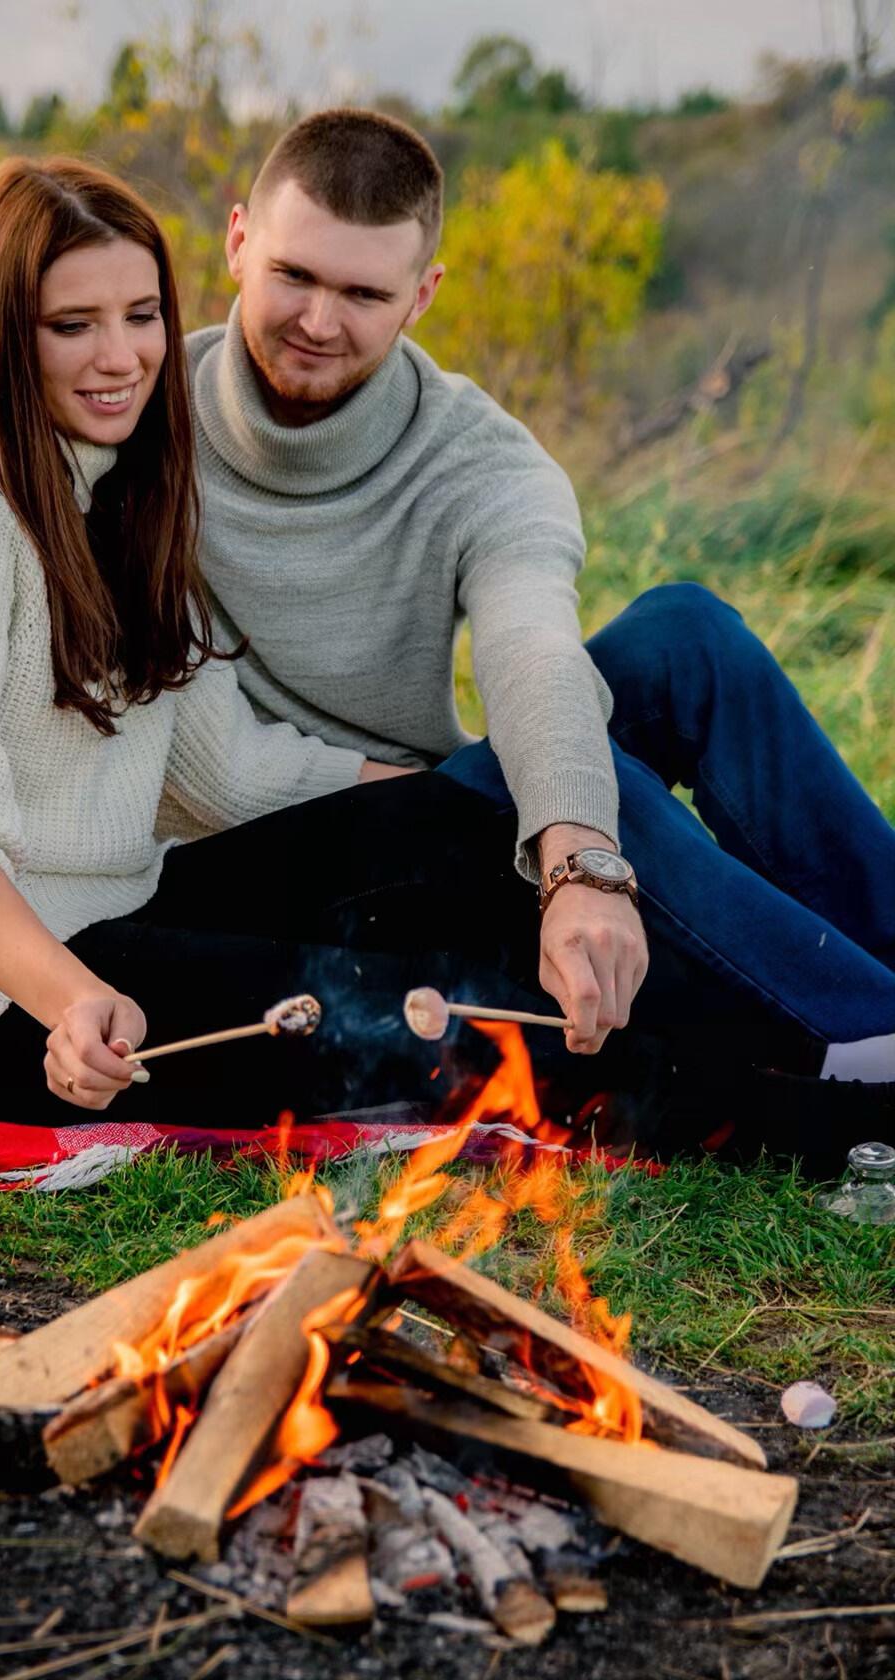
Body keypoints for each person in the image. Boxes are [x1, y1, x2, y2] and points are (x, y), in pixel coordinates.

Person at [0, 155, 568, 1130]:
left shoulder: (117, 486)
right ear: (0, 333)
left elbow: (224, 769)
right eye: (73, 325)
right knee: (404, 1019)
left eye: (140, 315)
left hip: (113, 908)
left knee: (463, 842)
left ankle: (759, 1033)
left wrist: (456, 787)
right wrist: (69, 998)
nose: (120, 358)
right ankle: (794, 1121)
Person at [179, 108, 895, 1156]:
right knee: (532, 776)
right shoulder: (138, 417)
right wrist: (467, 794)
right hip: (221, 856)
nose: (319, 322)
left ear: (422, 295)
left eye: (364, 293)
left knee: (683, 635)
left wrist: (578, 859)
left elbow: (531, 651)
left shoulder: (476, 454)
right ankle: (866, 1038)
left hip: (415, 828)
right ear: (238, 239)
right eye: (295, 275)